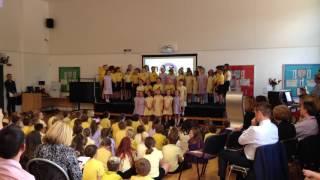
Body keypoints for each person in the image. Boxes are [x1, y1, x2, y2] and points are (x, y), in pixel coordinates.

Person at [218, 102, 279, 180]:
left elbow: (240, 141)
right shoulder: (275, 127)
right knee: (239, 152)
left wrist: (252, 125)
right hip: (269, 160)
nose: (254, 115)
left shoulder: (254, 129)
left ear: (259, 113)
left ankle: (222, 178)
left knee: (222, 153)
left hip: (252, 161)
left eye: (255, 113)